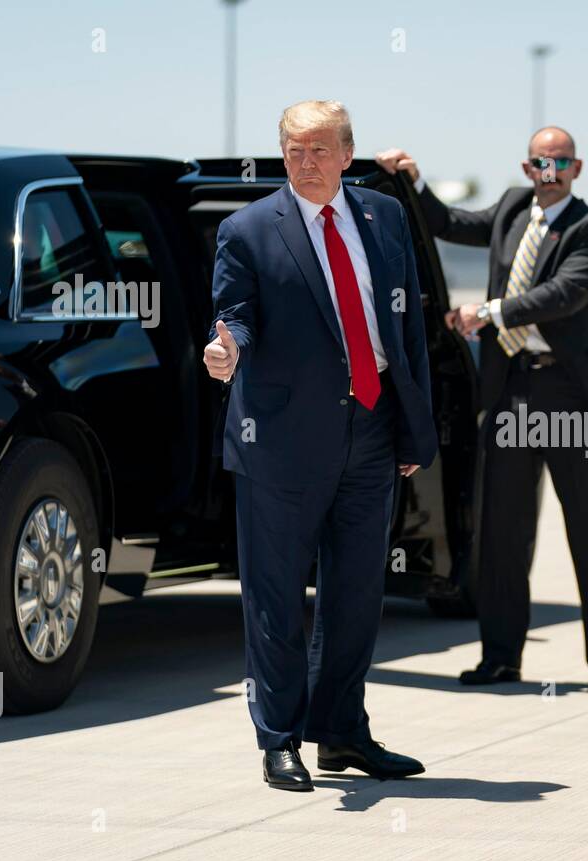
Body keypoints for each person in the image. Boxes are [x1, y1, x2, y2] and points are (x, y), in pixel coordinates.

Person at [204, 100, 437, 791]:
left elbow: (407, 330)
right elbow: (234, 314)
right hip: (281, 439)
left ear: (346, 154)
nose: (306, 164)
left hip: (370, 429)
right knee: (275, 600)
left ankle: (340, 732)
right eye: (294, 151)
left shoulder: (384, 217)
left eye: (319, 150)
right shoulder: (248, 230)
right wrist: (227, 349)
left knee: (357, 595)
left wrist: (412, 425)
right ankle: (279, 739)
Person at [376, 128, 588, 692]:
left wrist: (489, 313)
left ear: (577, 168)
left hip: (570, 395)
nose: (551, 169)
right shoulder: (514, 208)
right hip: (513, 389)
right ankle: (501, 657)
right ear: (527, 166)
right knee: (502, 532)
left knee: (586, 528)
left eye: (561, 161)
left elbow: (564, 294)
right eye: (542, 160)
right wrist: (413, 183)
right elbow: (450, 224)